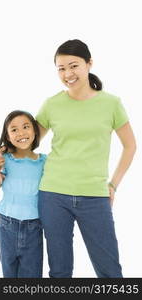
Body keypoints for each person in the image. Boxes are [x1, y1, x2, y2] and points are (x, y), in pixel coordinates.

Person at [35, 39, 136, 278]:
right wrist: (0, 153)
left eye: (73, 66)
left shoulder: (111, 103)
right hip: (53, 194)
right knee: (59, 272)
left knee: (110, 271)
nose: (67, 73)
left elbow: (130, 146)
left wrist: (113, 184)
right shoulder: (52, 104)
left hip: (95, 196)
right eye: (61, 68)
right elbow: (28, 142)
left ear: (89, 64)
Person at [0, 110, 47, 278]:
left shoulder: (44, 162)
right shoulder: (4, 160)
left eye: (26, 127)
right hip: (7, 226)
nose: (21, 133)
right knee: (9, 275)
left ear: (35, 130)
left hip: (34, 227)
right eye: (14, 130)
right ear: (7, 135)